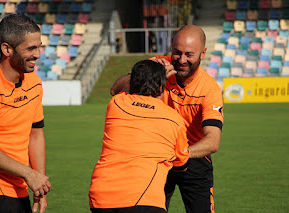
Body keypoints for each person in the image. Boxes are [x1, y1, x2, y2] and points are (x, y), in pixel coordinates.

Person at [110, 25, 224, 213]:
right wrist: (150, 77)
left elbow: (212, 142)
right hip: (157, 159)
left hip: (193, 158)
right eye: (177, 52)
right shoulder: (157, 65)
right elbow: (115, 90)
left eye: (189, 54)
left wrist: (178, 154)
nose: (181, 60)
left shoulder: (209, 89)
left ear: (203, 53)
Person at [88, 60, 190, 213]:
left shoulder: (117, 103)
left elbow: (118, 88)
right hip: (144, 198)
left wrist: (142, 74)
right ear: (162, 86)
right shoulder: (174, 119)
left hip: (102, 198)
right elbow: (181, 163)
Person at [0, 14, 51, 213]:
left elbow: (35, 134)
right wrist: (29, 174)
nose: (38, 54)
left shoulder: (35, 83)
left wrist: (39, 184)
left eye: (39, 46)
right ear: (7, 49)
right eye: (31, 48)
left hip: (20, 188)